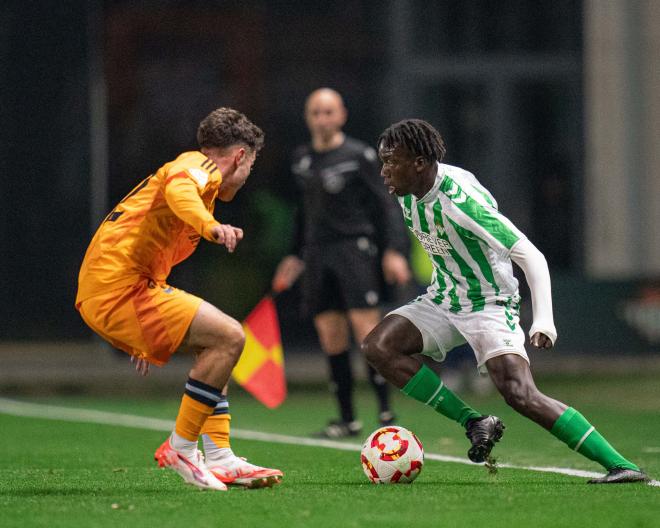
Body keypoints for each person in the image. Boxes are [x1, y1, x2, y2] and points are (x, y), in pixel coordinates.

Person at [362, 118, 648, 484]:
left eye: (391, 162)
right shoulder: (408, 192)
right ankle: (474, 422)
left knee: (519, 393)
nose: (384, 171)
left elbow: (530, 255)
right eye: (383, 161)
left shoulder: (461, 202)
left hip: (489, 304)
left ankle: (621, 466)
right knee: (378, 347)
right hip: (444, 298)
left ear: (419, 163)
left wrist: (543, 318)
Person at [76, 108, 282, 490]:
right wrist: (211, 226)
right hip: (117, 288)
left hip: (124, 288)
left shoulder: (200, 183)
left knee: (215, 345)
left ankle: (220, 457)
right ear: (240, 156)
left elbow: (156, 240)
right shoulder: (195, 166)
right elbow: (179, 191)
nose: (250, 174)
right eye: (251, 164)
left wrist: (140, 330)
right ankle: (182, 448)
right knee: (231, 336)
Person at [272, 88, 411, 438]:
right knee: (331, 337)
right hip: (318, 255)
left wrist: (394, 250)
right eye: (316, 112)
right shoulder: (301, 159)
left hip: (354, 250)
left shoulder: (360, 155)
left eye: (328, 112)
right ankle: (347, 418)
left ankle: (385, 413)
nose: (322, 119)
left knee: (367, 334)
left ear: (342, 115)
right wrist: (294, 255)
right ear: (308, 117)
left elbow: (386, 206)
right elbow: (302, 214)